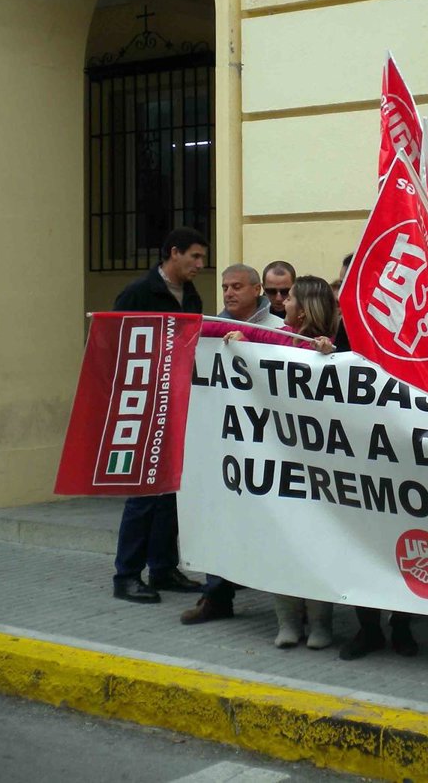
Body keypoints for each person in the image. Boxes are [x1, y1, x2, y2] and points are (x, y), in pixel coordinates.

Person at [204, 276, 339, 648]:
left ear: (304, 308)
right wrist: (188, 328)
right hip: (280, 462)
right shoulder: (279, 337)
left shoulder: (332, 346)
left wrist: (328, 353)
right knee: (283, 543)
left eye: (290, 297)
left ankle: (320, 624)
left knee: (317, 546)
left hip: (318, 465)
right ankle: (288, 623)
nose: (284, 303)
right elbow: (219, 328)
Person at [179, 263, 285, 626]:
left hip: (268, 445)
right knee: (219, 518)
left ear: (257, 290)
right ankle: (217, 596)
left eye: (237, 286)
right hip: (221, 442)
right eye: (225, 286)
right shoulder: (207, 331)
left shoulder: (277, 330)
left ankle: (290, 608)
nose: (228, 293)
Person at [111, 227, 208, 604]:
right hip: (144, 405)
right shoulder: (139, 292)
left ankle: (164, 568)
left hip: (178, 404)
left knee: (171, 494)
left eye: (202, 258)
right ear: (173, 252)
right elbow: (115, 344)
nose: (200, 264)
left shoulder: (191, 295)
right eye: (194, 256)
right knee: (144, 494)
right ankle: (126, 575)